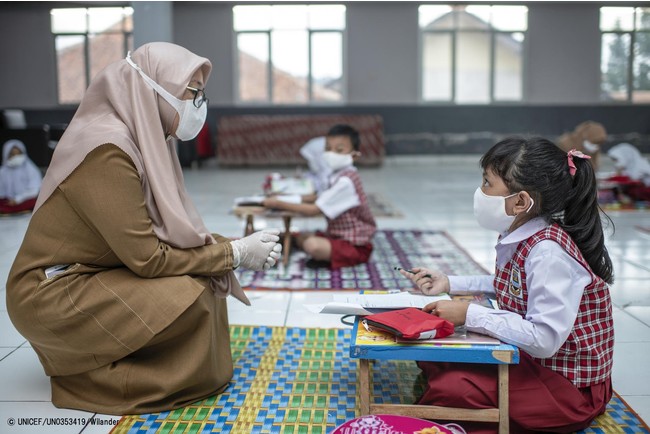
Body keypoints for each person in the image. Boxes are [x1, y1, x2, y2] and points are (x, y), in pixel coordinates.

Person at [6, 42, 282, 415]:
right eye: (192, 93)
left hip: (98, 270)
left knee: (203, 276)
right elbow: (148, 258)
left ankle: (150, 361)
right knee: (190, 290)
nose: (199, 104)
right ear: (150, 89)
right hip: (53, 291)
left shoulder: (146, 139)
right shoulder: (106, 149)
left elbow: (167, 230)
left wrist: (229, 247)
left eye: (202, 93)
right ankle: (106, 377)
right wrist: (234, 253)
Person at [400, 137, 614, 433]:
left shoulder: (548, 253)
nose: (480, 191)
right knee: (436, 352)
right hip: (534, 363)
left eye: (487, 183)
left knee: (452, 389)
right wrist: (449, 282)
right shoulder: (522, 232)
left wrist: (469, 314)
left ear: (521, 201)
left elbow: (544, 339)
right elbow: (511, 284)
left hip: (569, 389)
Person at [262, 124, 376, 269]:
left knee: (312, 245)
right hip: (336, 235)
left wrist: (278, 203)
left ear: (354, 155)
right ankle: (291, 242)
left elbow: (314, 209)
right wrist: (285, 196)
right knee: (302, 236)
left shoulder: (346, 181)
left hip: (356, 245)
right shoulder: (336, 174)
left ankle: (325, 254)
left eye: (339, 150)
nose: (331, 153)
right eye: (328, 148)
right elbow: (317, 197)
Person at [0, 139, 42, 214]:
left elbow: (34, 190)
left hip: (24, 200)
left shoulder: (31, 169)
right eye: (12, 154)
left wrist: (17, 199)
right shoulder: (2, 171)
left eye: (19, 154)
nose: (16, 157)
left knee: (33, 202)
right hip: (7, 201)